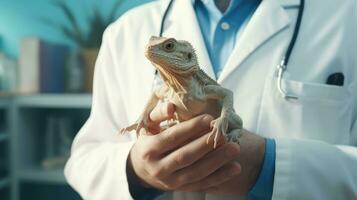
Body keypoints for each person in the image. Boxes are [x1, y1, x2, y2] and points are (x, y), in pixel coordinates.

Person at [64, 0, 357, 199]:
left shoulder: (347, 16)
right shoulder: (126, 31)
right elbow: (84, 160)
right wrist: (135, 170)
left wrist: (269, 166)